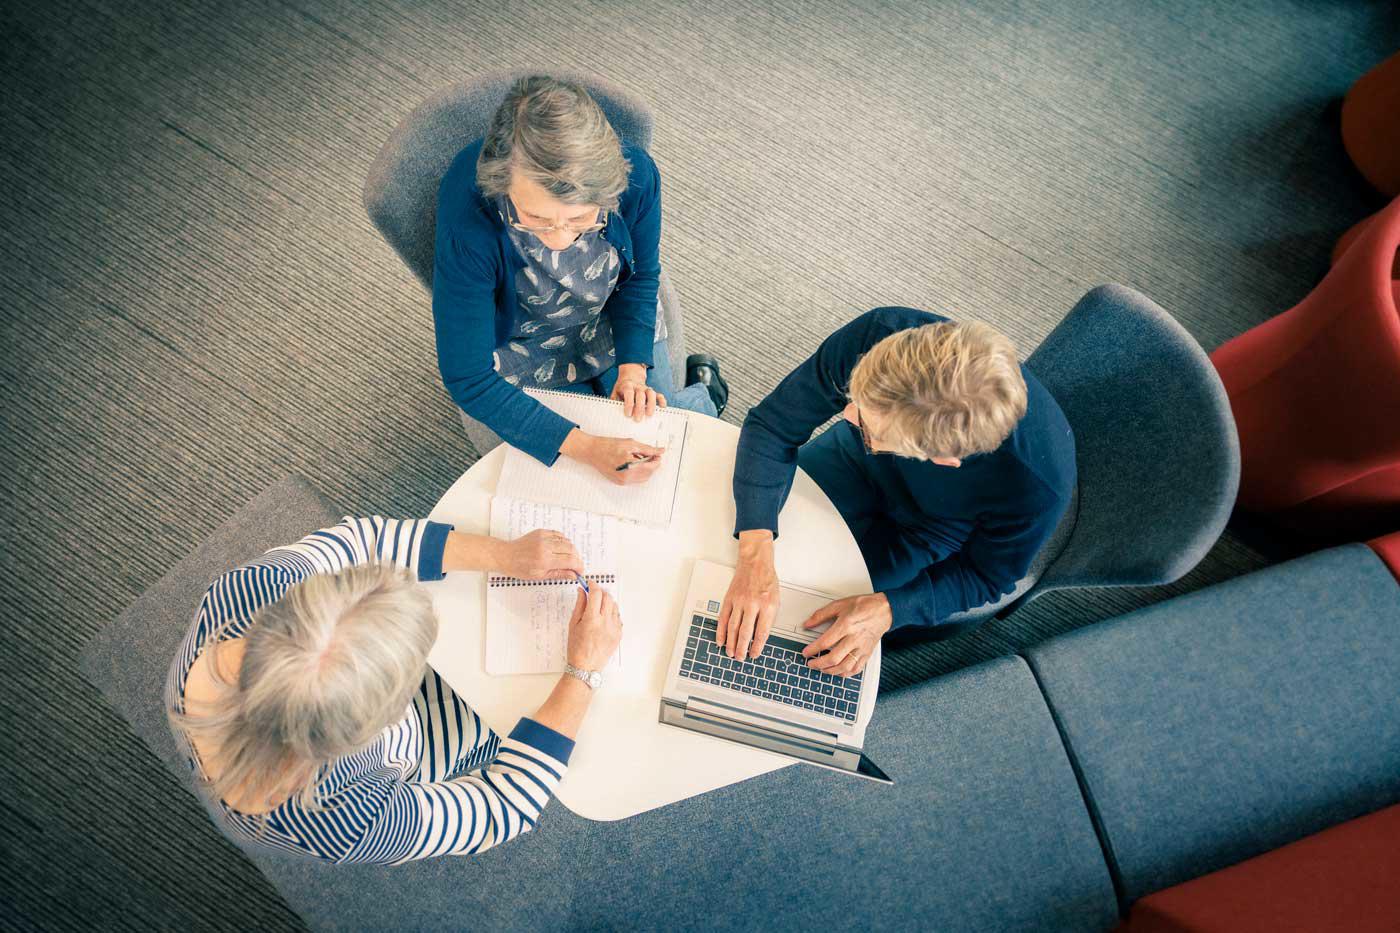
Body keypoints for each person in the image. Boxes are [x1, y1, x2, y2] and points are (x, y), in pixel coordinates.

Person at [166, 516, 620, 864]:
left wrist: (502, 555)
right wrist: (583, 672)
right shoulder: (346, 821)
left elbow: (362, 542)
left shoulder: (252, 589)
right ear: (379, 722)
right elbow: (499, 808)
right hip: (411, 753)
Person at [718, 308, 1076, 676]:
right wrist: (755, 550)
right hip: (853, 458)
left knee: (809, 632)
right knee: (730, 551)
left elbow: (985, 576)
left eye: (870, 425)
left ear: (942, 458)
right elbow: (774, 426)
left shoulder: (1038, 487)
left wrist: (891, 610)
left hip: (935, 527)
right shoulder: (882, 336)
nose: (848, 415)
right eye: (857, 397)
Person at [433, 75, 729, 485]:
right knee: (562, 472)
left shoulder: (637, 178)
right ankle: (699, 399)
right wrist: (587, 447)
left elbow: (641, 278)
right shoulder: (470, 219)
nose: (559, 238)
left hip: (605, 317)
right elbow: (469, 377)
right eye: (536, 219)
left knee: (655, 443)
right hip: (520, 343)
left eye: (579, 219)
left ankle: (699, 398)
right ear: (504, 183)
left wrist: (632, 371)